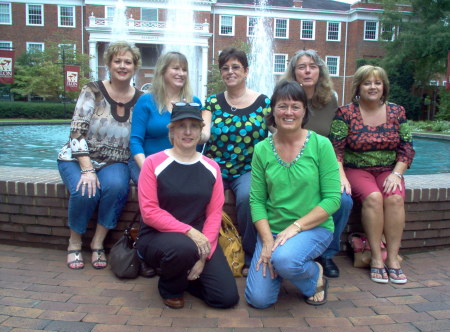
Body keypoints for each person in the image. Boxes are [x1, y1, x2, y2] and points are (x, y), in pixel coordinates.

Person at [245, 80, 341, 309]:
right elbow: (257, 200)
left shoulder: (321, 145)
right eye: (282, 106)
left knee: (284, 260)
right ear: (273, 111)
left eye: (295, 106)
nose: (289, 112)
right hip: (274, 230)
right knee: (259, 300)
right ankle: (283, 262)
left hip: (312, 228)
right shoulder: (261, 149)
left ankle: (313, 274)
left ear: (305, 111)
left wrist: (296, 227)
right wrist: (268, 241)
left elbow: (333, 199)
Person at [136, 103, 239, 309]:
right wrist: (190, 231)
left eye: (194, 126)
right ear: (172, 130)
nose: (188, 131)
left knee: (226, 298)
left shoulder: (212, 167)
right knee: (182, 248)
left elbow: (213, 214)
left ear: (201, 131)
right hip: (158, 236)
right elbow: (149, 212)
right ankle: (170, 288)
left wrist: (203, 256)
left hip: (201, 239)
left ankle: (183, 276)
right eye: (181, 125)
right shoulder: (153, 163)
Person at [58, 41, 142, 270]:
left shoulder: (142, 98)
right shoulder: (92, 90)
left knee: (116, 187)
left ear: (135, 67)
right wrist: (86, 168)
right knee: (85, 190)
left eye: (128, 62)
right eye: (118, 61)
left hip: (116, 161)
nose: (122, 66)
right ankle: (74, 242)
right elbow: (76, 131)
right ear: (109, 64)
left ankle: (98, 243)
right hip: (78, 157)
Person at [329, 65, 415, 284]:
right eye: (367, 82)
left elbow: (407, 147)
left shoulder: (397, 112)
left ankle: (393, 259)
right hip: (357, 169)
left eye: (377, 82)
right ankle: (376, 258)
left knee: (395, 198)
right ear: (358, 86)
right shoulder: (346, 113)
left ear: (384, 86)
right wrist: (341, 176)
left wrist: (397, 173)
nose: (373, 87)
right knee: (374, 197)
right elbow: (336, 148)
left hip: (389, 170)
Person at [281, 49, 353, 278]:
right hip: (292, 165)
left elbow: (336, 140)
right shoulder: (284, 96)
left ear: (319, 69)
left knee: (343, 200)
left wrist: (340, 172)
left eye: (312, 66)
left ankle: (327, 254)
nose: (307, 70)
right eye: (301, 66)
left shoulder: (329, 98)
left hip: (323, 165)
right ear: (294, 72)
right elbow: (275, 132)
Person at [202, 47, 271, 275]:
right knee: (202, 195)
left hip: (247, 169)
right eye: (225, 68)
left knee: (247, 197)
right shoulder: (212, 102)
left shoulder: (262, 103)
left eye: (235, 67)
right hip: (214, 167)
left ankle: (250, 251)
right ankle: (206, 249)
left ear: (246, 71)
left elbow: (278, 131)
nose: (230, 72)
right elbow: (203, 132)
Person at [129, 51, 202, 184]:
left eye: (184, 70)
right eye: (175, 68)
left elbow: (199, 141)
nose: (181, 73)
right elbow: (135, 141)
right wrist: (148, 169)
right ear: (163, 71)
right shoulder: (146, 101)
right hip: (147, 163)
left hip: (182, 164)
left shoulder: (193, 102)